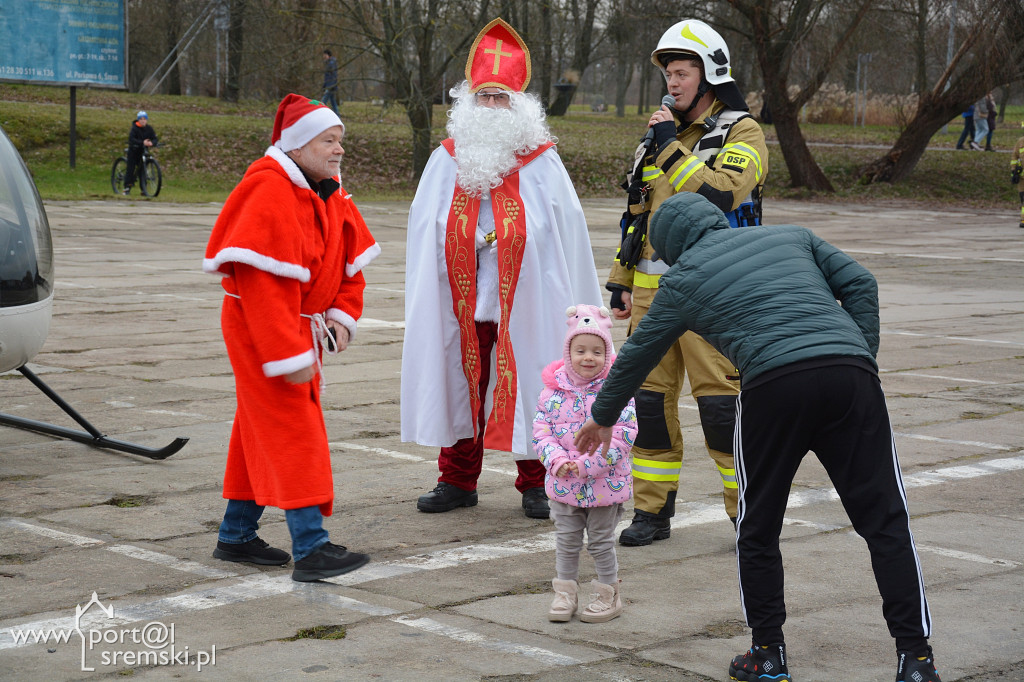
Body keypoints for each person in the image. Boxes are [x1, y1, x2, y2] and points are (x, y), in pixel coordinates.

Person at [576, 192, 942, 682]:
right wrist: (861, 354)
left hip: (773, 388)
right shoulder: (793, 236)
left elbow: (640, 352)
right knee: (885, 522)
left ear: (671, 248)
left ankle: (768, 656)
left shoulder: (681, 280)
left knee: (758, 528)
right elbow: (860, 282)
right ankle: (916, 660)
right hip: (849, 378)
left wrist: (601, 415)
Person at [401, 18, 603, 519]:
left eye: (500, 98)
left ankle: (537, 480)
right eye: (484, 97)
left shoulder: (542, 164)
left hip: (528, 298)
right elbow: (425, 224)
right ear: (468, 102)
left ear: (519, 107)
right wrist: (462, 238)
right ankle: (457, 479)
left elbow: (563, 230)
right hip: (463, 297)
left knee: (536, 382)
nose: (491, 107)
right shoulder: (446, 159)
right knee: (459, 377)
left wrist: (514, 237)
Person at [203, 93, 380, 582]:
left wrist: (343, 315)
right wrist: (287, 354)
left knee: (256, 428)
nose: (339, 149)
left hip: (294, 325)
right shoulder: (268, 192)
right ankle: (311, 547)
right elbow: (263, 289)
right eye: (329, 140)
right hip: (262, 328)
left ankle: (235, 536)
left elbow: (351, 266)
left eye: (340, 140)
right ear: (299, 145)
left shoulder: (329, 191)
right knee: (293, 428)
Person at [606, 18, 769, 546]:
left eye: (681, 73)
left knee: (722, 411)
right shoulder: (657, 134)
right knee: (648, 407)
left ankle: (746, 514)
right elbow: (637, 210)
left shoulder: (741, 131)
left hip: (717, 294)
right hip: (655, 296)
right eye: (668, 74)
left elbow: (720, 196)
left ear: (710, 74)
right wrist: (621, 278)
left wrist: (668, 146)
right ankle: (652, 514)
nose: (671, 83)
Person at [533, 305, 637, 623]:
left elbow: (623, 435)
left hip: (604, 485)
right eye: (580, 350)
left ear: (607, 355)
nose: (588, 357)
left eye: (596, 351)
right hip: (564, 483)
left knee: (601, 542)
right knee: (566, 541)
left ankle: (609, 594)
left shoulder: (616, 393)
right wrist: (557, 461)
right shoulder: (552, 392)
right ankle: (565, 593)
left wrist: (588, 465)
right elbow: (541, 433)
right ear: (568, 353)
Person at [123, 111, 157, 195]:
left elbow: (155, 138)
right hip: (134, 151)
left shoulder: (149, 129)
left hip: (143, 151)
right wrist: (142, 142)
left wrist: (152, 143)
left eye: (144, 119)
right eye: (141, 119)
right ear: (138, 120)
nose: (143, 121)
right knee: (131, 169)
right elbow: (132, 139)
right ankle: (127, 187)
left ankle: (143, 189)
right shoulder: (134, 128)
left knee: (143, 170)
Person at [1012, 122, 1024, 228]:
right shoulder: (1020, 141)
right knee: (1023, 198)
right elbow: (1015, 156)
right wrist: (1013, 171)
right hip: (1022, 177)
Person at [322, 49, 339, 115]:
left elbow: (332, 76)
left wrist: (330, 86)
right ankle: (337, 115)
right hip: (330, 85)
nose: (324, 56)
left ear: (328, 55)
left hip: (330, 86)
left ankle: (320, 114)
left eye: (325, 55)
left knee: (323, 101)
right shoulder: (329, 63)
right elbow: (327, 76)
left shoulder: (331, 63)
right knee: (333, 102)